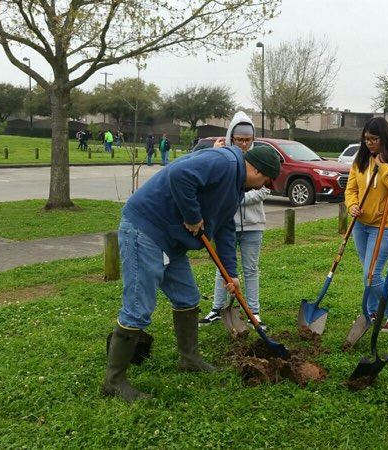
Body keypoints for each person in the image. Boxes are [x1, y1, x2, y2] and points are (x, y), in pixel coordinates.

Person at [101, 140, 281, 403]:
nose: (263, 187)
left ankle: (189, 358)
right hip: (146, 228)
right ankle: (113, 382)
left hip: (172, 240)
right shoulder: (224, 162)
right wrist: (193, 216)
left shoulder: (235, 189)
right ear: (256, 170)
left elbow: (225, 230)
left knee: (187, 297)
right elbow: (179, 174)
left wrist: (231, 273)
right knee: (138, 308)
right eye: (265, 181)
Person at [199, 112, 270, 329]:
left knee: (250, 268)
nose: (244, 144)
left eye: (248, 139)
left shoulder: (258, 159)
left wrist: (235, 199)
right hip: (224, 225)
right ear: (231, 137)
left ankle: (253, 311)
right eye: (239, 139)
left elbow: (264, 190)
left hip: (253, 225)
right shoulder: (224, 157)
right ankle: (217, 308)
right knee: (223, 268)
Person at [345, 117, 388, 331]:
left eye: (374, 139)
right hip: (361, 225)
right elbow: (351, 188)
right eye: (366, 139)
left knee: (372, 274)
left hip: (386, 225)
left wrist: (382, 166)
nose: (369, 143)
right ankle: (371, 311)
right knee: (368, 272)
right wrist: (352, 205)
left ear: (384, 138)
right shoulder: (360, 159)